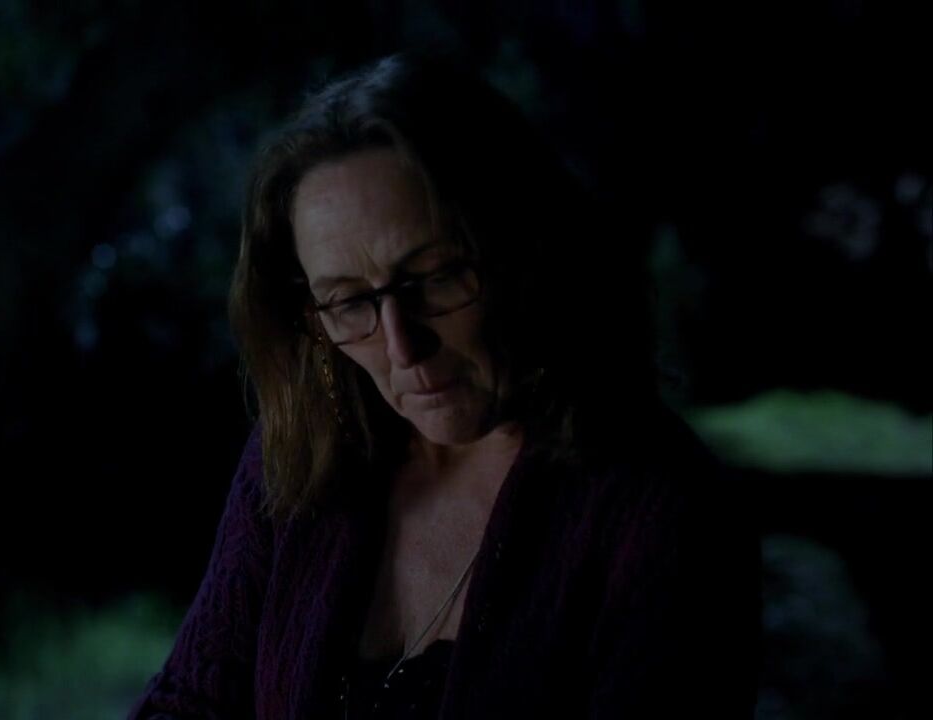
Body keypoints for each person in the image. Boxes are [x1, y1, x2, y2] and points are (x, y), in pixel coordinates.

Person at [129, 52, 760, 718]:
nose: (402, 347)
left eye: (434, 279)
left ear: (524, 248)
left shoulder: (659, 508)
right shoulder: (303, 459)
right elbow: (190, 702)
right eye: (349, 302)